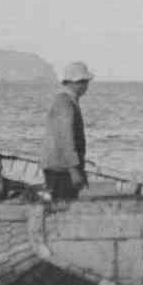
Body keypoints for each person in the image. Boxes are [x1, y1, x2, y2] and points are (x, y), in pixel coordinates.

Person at [40, 61, 94, 201]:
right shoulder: (65, 103)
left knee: (60, 207)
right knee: (63, 209)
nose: (87, 86)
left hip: (60, 167)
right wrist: (74, 170)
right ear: (78, 82)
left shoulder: (65, 100)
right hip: (61, 170)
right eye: (85, 82)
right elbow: (66, 138)